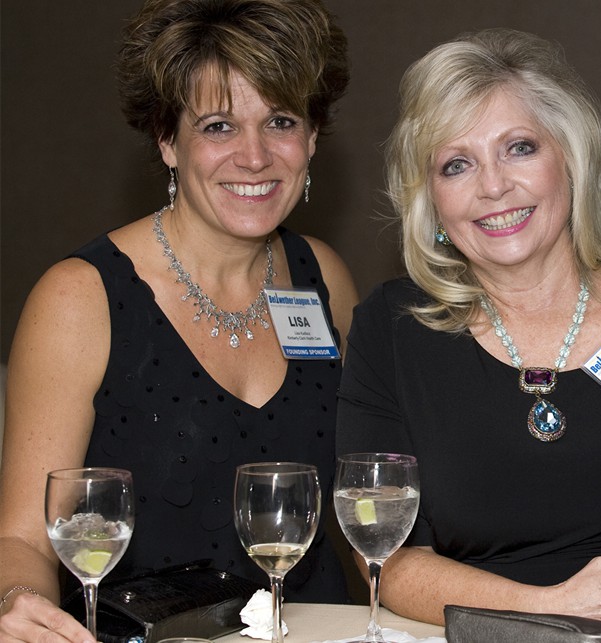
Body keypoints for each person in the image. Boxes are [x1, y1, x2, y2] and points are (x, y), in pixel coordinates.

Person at [335, 28, 601, 627]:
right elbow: (388, 565)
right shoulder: (392, 334)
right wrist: (550, 612)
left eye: (519, 148)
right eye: (456, 165)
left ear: (571, 161)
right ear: (432, 204)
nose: (494, 186)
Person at [0, 0, 358, 640]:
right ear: (168, 141)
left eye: (280, 120)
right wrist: (19, 600)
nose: (255, 157)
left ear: (310, 137)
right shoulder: (79, 299)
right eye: (219, 126)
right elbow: (22, 535)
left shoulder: (323, 277)